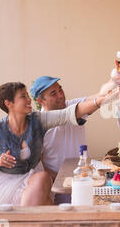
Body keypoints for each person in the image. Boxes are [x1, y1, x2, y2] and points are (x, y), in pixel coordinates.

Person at [0, 81, 116, 207]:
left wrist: (102, 100)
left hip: (29, 181)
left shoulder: (38, 120)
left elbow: (67, 114)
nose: (29, 99)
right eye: (23, 96)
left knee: (42, 179)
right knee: (48, 203)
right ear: (8, 103)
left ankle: (25, 225)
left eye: (28, 95)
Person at [30, 76, 115, 204]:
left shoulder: (71, 106)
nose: (60, 95)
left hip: (87, 178)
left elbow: (100, 96)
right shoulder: (38, 125)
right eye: (53, 93)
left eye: (60, 90)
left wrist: (117, 77)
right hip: (61, 188)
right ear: (41, 101)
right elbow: (40, 167)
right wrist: (64, 179)